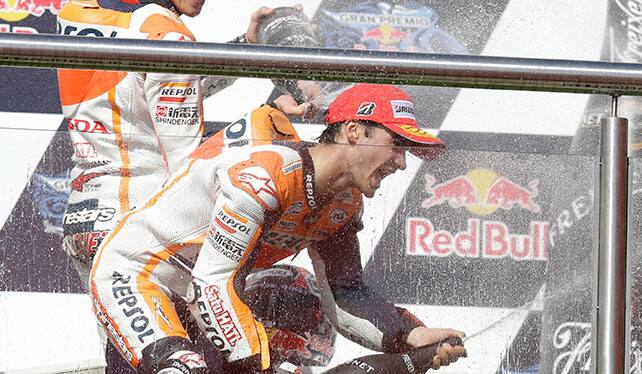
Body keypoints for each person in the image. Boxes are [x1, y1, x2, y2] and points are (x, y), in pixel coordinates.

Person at [89, 83, 467, 373]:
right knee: (184, 368)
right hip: (136, 276)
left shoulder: (344, 204)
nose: (401, 163)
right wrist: (261, 363)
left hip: (195, 296)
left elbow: (344, 293)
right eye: (395, 145)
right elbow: (214, 284)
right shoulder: (266, 175)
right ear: (354, 131)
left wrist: (410, 336)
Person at [57, 0, 276, 285]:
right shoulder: (167, 35)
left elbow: (147, 91)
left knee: (125, 347)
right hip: (140, 225)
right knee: (193, 346)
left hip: (84, 217)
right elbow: (187, 169)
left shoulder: (85, 11)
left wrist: (245, 45)